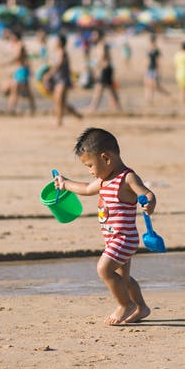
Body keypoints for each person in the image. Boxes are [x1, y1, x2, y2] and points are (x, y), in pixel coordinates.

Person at [54, 127, 154, 325]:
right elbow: (85, 188)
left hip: (124, 238)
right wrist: (65, 184)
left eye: (90, 165)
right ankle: (141, 307)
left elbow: (147, 193)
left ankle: (125, 305)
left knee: (103, 269)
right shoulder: (103, 180)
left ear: (106, 158)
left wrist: (150, 202)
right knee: (123, 279)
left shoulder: (127, 178)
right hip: (113, 239)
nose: (90, 171)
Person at [46, 33, 82, 126]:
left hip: (63, 80)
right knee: (61, 102)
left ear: (60, 42)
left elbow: (58, 65)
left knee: (59, 101)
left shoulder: (62, 52)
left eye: (57, 41)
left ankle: (59, 122)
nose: (55, 42)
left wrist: (49, 75)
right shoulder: (57, 52)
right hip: (58, 79)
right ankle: (77, 115)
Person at [1, 29, 36, 115]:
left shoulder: (20, 45)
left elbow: (18, 58)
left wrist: (6, 64)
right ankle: (32, 107)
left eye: (12, 36)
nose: (10, 38)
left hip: (22, 70)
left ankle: (11, 109)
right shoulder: (16, 45)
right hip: (19, 70)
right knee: (26, 91)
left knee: (15, 90)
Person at [89, 42, 122, 113]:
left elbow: (102, 57)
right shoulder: (101, 45)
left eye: (94, 35)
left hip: (105, 69)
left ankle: (93, 107)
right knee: (110, 90)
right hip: (107, 69)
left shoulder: (101, 45)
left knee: (99, 89)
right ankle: (118, 107)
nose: (92, 37)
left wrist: (95, 65)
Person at [144, 33, 168, 103]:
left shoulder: (156, 50)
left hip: (154, 69)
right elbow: (146, 60)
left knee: (155, 86)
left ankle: (167, 96)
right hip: (149, 69)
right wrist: (145, 70)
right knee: (148, 85)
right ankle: (149, 100)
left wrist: (159, 71)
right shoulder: (149, 49)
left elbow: (158, 61)